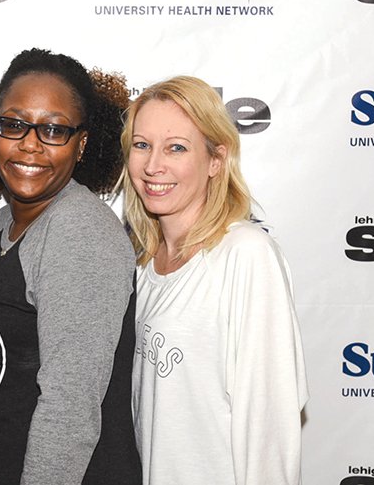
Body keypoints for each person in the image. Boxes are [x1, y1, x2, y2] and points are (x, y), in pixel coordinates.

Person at [0, 48, 142, 485]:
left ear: (82, 144)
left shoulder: (79, 230)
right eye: (14, 125)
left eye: (54, 130)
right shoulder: (3, 223)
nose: (30, 144)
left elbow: (69, 408)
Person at [121, 75, 309, 485]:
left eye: (176, 147)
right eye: (142, 145)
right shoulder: (141, 264)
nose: (153, 165)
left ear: (215, 161)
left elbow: (269, 426)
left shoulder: (245, 254)